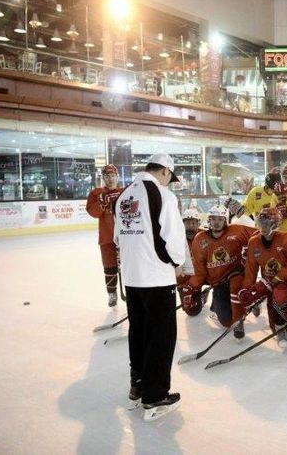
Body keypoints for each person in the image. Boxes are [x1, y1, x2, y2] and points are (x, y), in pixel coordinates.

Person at [113, 154, 186, 422]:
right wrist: (177, 263)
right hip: (157, 277)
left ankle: (139, 385)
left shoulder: (124, 196)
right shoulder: (164, 195)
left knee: (139, 332)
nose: (170, 181)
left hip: (132, 277)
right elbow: (173, 237)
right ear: (165, 171)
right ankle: (155, 396)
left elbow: (117, 237)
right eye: (170, 176)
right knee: (161, 337)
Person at [184, 204, 256, 338]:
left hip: (236, 273)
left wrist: (250, 250)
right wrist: (190, 287)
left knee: (236, 285)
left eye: (220, 219)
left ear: (226, 221)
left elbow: (259, 236)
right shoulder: (200, 239)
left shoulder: (237, 231)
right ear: (208, 220)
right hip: (218, 282)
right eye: (213, 219)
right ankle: (218, 307)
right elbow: (199, 272)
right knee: (226, 322)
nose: (216, 222)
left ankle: (239, 320)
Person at [238, 207, 287, 347]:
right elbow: (250, 270)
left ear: (276, 224)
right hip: (270, 283)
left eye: (268, 223)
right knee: (273, 327)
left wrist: (269, 282)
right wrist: (248, 290)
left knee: (280, 295)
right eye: (261, 222)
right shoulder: (254, 241)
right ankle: (281, 318)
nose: (263, 226)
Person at [86, 164, 123, 307]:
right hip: (107, 238)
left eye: (113, 176)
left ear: (117, 176)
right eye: (107, 176)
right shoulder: (96, 193)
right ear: (103, 178)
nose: (110, 179)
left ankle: (134, 291)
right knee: (109, 267)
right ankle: (112, 293)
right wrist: (101, 202)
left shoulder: (125, 191)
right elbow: (93, 213)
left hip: (127, 237)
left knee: (132, 266)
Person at [177, 206, 203, 316]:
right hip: (186, 276)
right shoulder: (176, 238)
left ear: (198, 224)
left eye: (193, 223)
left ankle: (217, 299)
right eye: (187, 223)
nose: (190, 226)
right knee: (192, 311)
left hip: (203, 274)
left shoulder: (206, 236)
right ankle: (199, 295)